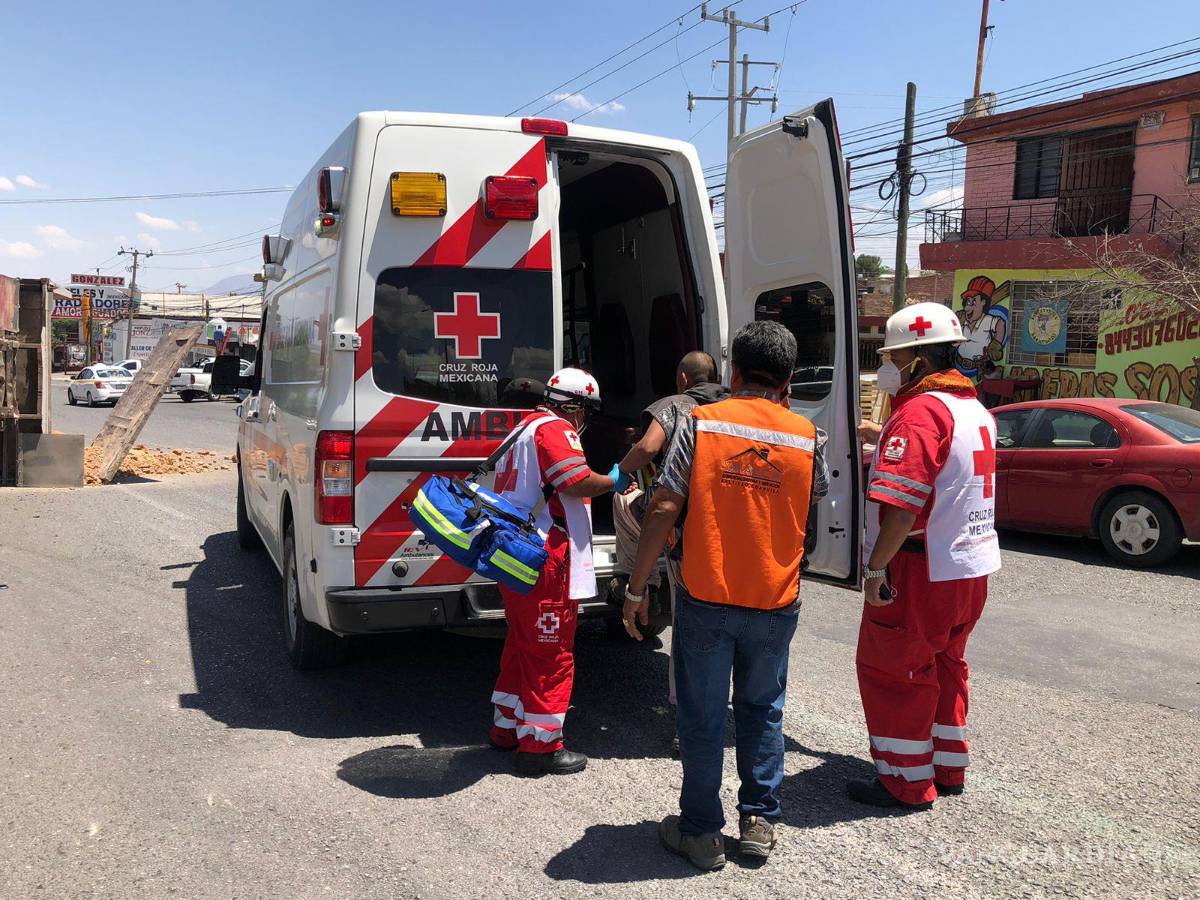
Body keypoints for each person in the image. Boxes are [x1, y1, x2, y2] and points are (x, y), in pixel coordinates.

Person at [623, 321, 828, 871]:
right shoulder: (809, 437)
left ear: (734, 372)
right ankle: (759, 820)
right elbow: (810, 515)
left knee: (703, 714)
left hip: (708, 594)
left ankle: (701, 833)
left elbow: (664, 507)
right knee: (763, 711)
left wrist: (637, 587)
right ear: (787, 380)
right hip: (776, 600)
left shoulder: (701, 423)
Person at [850, 301, 1001, 810]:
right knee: (947, 663)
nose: (887, 366)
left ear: (916, 358)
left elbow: (902, 505)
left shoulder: (917, 414)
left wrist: (875, 569)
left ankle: (905, 781)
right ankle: (947, 767)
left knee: (895, 669)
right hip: (969, 565)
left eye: (894, 357)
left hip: (918, 567)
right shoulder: (972, 408)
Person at [489, 367, 630, 777]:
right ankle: (540, 745)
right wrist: (612, 481)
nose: (585, 422)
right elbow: (574, 481)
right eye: (587, 412)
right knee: (552, 654)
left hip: (517, 554)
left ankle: (506, 728)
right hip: (545, 558)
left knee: (521, 644)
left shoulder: (523, 428)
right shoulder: (556, 429)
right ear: (577, 406)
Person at [610, 352, 729, 717]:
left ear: (682, 378)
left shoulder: (675, 404)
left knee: (624, 501)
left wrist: (615, 471)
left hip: (680, 524)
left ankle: (640, 578)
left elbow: (647, 448)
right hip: (728, 524)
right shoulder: (737, 406)